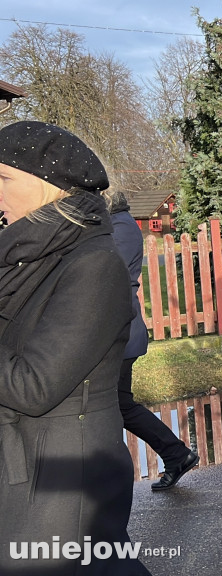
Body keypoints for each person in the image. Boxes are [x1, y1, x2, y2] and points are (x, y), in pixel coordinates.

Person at [0, 121, 150, 574]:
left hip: (63, 481)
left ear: (48, 187)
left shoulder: (96, 264)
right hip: (23, 464)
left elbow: (33, 386)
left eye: (3, 179)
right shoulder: (23, 256)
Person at [106, 189, 200, 490]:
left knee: (116, 405)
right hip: (115, 331)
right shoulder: (115, 224)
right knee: (116, 405)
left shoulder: (119, 227)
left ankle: (175, 455)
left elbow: (107, 276)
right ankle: (176, 455)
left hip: (118, 331)